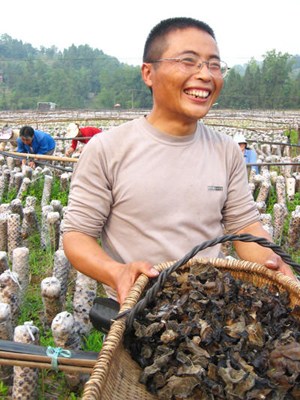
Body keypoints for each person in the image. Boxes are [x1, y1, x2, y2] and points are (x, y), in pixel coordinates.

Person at [63, 17, 296, 306]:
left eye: (214, 64)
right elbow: (77, 236)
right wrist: (117, 272)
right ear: (148, 73)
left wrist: (274, 263)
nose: (205, 75)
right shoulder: (107, 149)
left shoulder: (226, 150)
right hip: (141, 308)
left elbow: (245, 225)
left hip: (211, 303)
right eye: (189, 61)